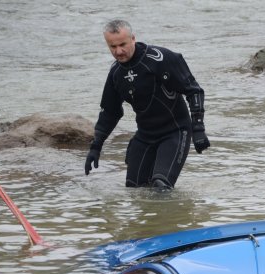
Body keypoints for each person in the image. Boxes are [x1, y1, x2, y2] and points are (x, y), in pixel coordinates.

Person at [84, 19, 210, 190]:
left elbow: (194, 91)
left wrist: (198, 128)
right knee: (135, 190)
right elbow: (110, 112)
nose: (118, 51)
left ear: (133, 38)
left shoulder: (161, 58)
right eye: (112, 47)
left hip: (175, 131)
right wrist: (96, 147)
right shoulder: (116, 73)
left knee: (160, 186)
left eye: (122, 44)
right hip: (145, 136)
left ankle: (177, 215)